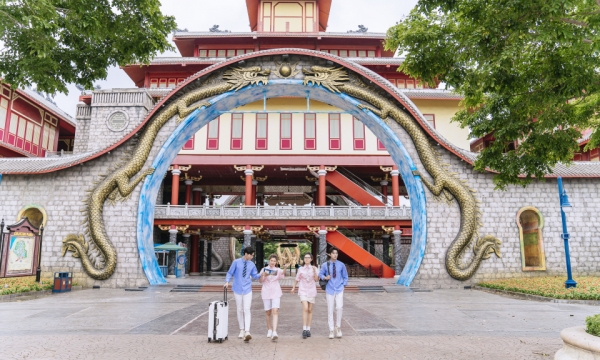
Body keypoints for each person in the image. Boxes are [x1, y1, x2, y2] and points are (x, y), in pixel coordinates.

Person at [224, 246, 260, 342]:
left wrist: (263, 274)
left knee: (247, 309)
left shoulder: (252, 264)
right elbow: (230, 272)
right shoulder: (236, 262)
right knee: (239, 309)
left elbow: (255, 276)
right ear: (246, 254)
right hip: (237, 289)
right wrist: (227, 281)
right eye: (251, 255)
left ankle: (247, 331)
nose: (252, 257)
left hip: (248, 289)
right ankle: (241, 330)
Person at [319, 248, 348, 339]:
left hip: (339, 288)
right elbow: (320, 274)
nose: (335, 255)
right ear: (330, 254)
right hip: (330, 288)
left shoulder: (341, 265)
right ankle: (331, 329)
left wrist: (344, 284)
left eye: (336, 253)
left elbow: (345, 276)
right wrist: (325, 277)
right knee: (330, 309)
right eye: (333, 253)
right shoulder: (325, 265)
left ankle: (338, 327)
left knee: (339, 307)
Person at [291, 253, 319, 339]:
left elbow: (317, 279)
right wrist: (293, 288)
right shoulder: (301, 269)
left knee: (310, 310)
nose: (306, 259)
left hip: (311, 290)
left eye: (308, 257)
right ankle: (304, 329)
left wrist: (314, 271)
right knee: (305, 308)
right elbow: (297, 279)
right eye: (305, 257)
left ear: (311, 259)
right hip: (303, 290)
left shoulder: (314, 268)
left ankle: (308, 329)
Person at [259, 254, 284, 341]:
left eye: (274, 261)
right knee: (268, 312)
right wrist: (263, 275)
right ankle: (269, 329)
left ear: (276, 262)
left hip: (276, 292)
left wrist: (285, 268)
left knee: (275, 310)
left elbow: (283, 275)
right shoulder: (264, 269)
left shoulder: (278, 270)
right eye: (271, 260)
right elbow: (260, 281)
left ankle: (274, 331)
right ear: (269, 260)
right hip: (266, 292)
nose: (273, 262)